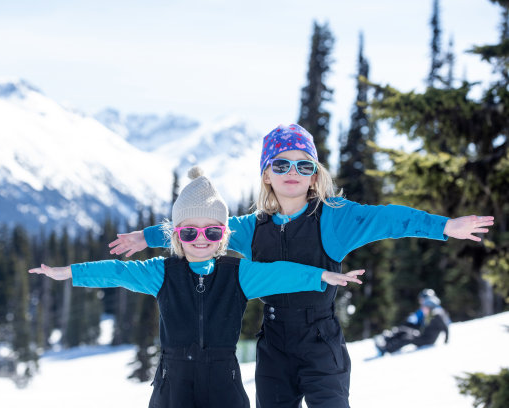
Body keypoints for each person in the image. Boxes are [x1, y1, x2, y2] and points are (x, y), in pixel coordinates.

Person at [108, 124, 495, 408]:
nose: (292, 172)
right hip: (273, 342)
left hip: (320, 340)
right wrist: (147, 237)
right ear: (267, 174)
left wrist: (444, 226)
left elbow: (390, 218)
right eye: (281, 164)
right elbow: (202, 229)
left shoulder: (335, 218)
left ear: (315, 174)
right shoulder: (249, 229)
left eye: (303, 165)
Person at [29, 166, 365, 408]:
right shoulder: (161, 272)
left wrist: (321, 276)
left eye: (212, 232)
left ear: (224, 236)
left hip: (224, 384)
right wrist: (70, 273)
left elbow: (278, 273)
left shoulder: (238, 273)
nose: (200, 240)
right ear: (176, 235)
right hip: (172, 386)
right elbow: (117, 271)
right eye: (189, 232)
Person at [374, 290, 451, 355]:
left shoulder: (437, 315)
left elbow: (445, 327)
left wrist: (446, 341)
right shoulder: (431, 314)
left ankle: (386, 349)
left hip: (427, 340)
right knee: (405, 331)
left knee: (407, 338)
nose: (423, 308)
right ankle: (387, 342)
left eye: (425, 306)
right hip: (423, 336)